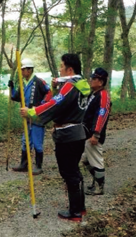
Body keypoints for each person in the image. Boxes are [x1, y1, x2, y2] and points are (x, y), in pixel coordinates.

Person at [20, 54, 90, 222]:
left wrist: (32, 111)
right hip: (78, 133)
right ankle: (80, 207)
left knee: (68, 172)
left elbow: (55, 104)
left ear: (70, 69)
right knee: (74, 170)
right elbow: (65, 103)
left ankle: (75, 212)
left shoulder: (70, 86)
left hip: (68, 134)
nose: (59, 69)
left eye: (62, 66)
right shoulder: (82, 85)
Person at [8, 58, 52, 174]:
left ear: (29, 70)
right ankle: (24, 164)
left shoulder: (39, 81)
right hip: (26, 117)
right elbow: (16, 97)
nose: (22, 72)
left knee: (37, 142)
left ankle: (38, 165)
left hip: (37, 117)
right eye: (21, 70)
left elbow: (49, 93)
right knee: (25, 141)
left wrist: (40, 107)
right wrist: (11, 88)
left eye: (24, 70)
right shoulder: (23, 83)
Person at [82, 68, 111, 196]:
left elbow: (101, 115)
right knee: (86, 160)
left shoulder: (103, 96)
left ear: (100, 82)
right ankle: (96, 181)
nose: (91, 80)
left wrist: (96, 134)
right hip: (87, 133)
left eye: (94, 79)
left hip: (94, 135)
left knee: (96, 160)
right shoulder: (93, 94)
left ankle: (100, 186)